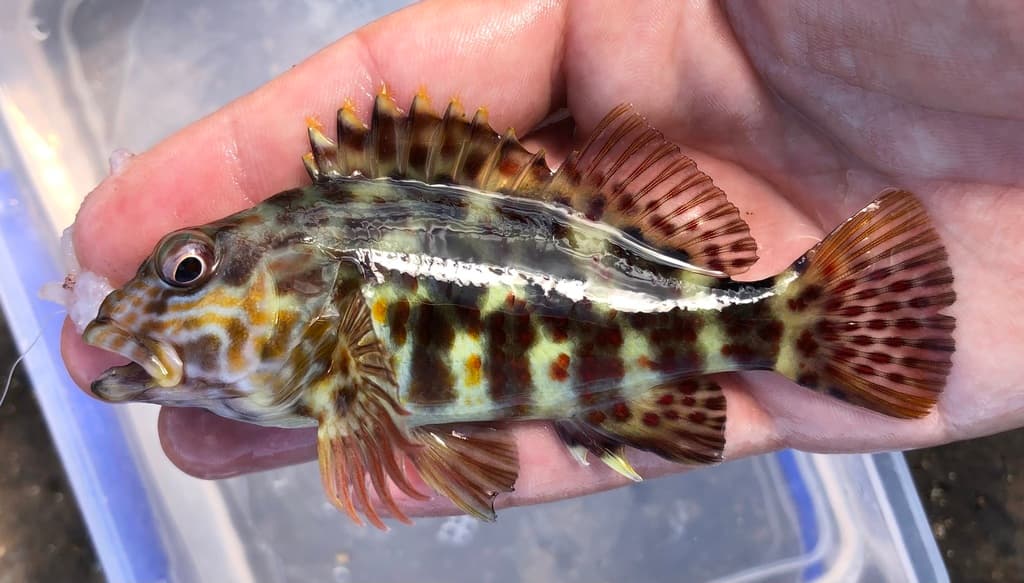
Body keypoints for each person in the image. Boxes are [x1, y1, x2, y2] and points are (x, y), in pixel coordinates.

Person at [60, 0, 1024, 515]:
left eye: (187, 270)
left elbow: (407, 446)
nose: (144, 312)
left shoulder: (335, 337)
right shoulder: (322, 357)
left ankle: (793, 320)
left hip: (652, 280)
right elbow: (443, 450)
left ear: (305, 284)